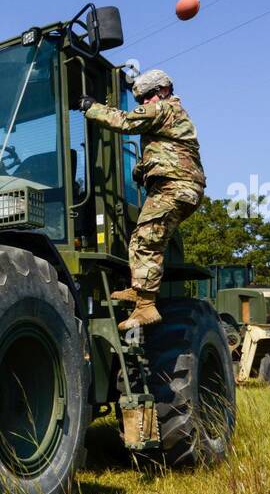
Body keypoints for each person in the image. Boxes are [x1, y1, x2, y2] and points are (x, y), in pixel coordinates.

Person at [78, 69, 205, 330]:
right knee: (142, 238)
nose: (144, 104)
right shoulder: (170, 116)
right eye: (141, 100)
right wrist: (142, 169)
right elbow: (169, 151)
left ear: (163, 91)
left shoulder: (164, 109)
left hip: (175, 187)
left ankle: (146, 306)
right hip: (175, 186)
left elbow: (125, 122)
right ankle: (141, 291)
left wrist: (91, 108)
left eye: (147, 97)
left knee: (147, 238)